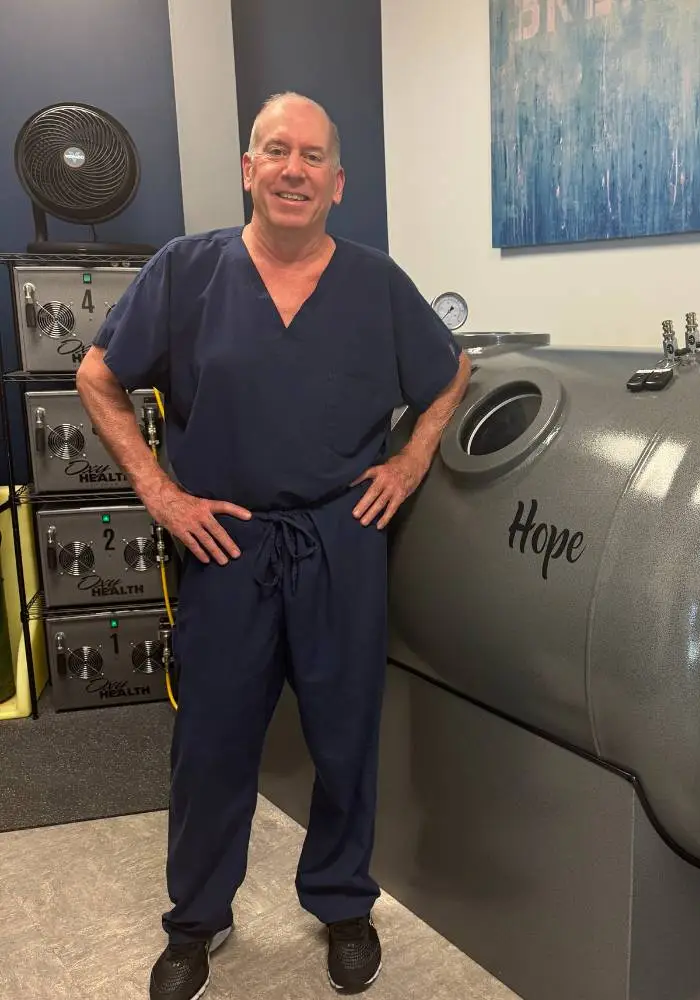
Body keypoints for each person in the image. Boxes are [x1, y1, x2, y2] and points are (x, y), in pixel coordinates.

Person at [75, 91, 471, 1000]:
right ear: (249, 168)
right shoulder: (187, 270)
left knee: (344, 735)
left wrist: (410, 462)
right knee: (211, 742)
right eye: (276, 151)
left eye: (313, 157)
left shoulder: (375, 282)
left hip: (341, 537)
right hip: (225, 543)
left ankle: (341, 903)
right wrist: (158, 491)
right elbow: (97, 375)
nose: (294, 169)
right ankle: (196, 921)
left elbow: (452, 371)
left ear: (338, 182)